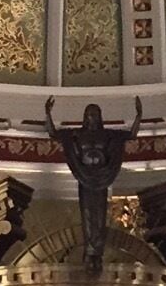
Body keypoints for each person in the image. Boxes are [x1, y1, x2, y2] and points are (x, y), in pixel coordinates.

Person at [44, 97, 144, 274]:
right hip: (84, 177)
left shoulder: (108, 135)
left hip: (102, 177)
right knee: (88, 214)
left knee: (99, 214)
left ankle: (96, 252)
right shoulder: (76, 134)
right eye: (89, 114)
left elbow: (131, 135)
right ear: (85, 116)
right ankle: (90, 252)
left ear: (100, 116)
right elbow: (53, 134)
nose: (92, 117)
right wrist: (48, 114)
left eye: (95, 114)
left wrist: (139, 116)